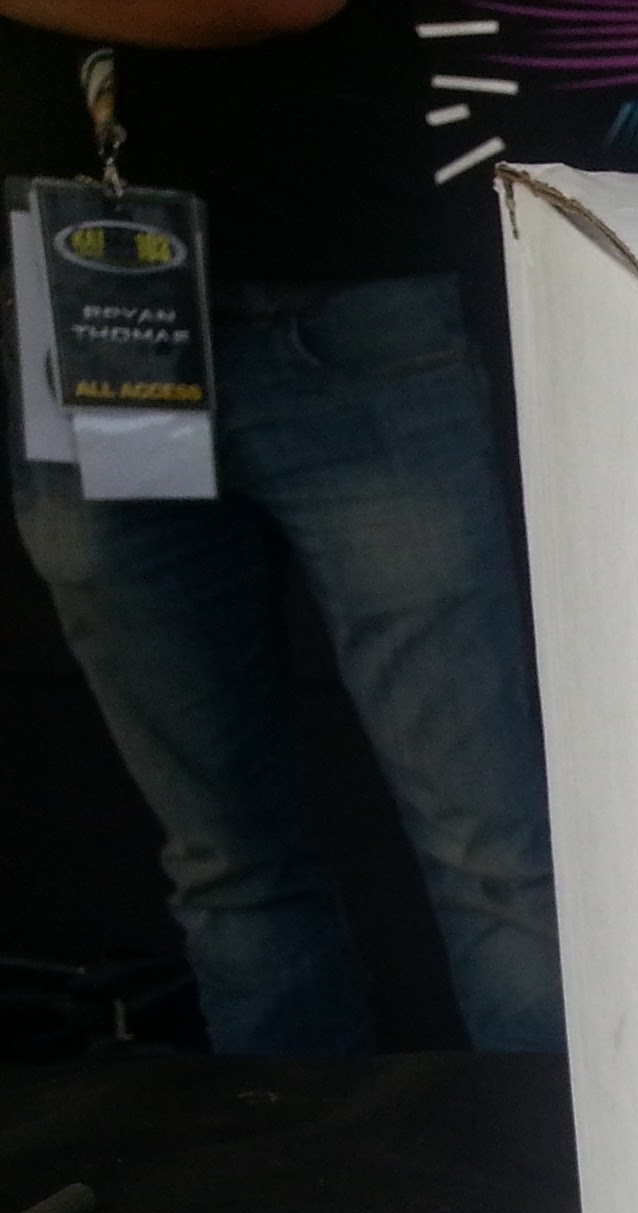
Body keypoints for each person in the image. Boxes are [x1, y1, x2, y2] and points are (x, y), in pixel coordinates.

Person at [3, 0, 562, 1055]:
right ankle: (287, 1152)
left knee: (492, 847)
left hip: (344, 300)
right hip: (82, 312)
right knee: (224, 862)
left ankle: (551, 1157)